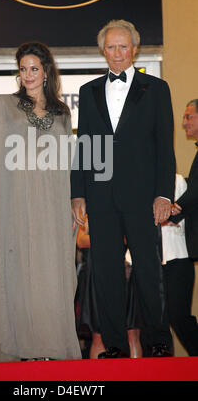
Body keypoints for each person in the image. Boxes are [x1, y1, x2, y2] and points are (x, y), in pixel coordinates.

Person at [0, 31, 81, 363]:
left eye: (34, 69)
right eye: (23, 69)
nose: (27, 75)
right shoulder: (6, 107)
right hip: (14, 207)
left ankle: (49, 348)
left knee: (50, 275)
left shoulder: (62, 114)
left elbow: (68, 163)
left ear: (46, 71)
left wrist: (72, 202)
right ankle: (18, 348)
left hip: (51, 208)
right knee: (15, 273)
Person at [71, 19, 176, 358]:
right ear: (103, 51)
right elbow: (83, 143)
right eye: (111, 47)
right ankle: (114, 345)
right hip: (100, 196)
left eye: (123, 46)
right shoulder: (88, 92)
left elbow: (165, 146)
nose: (117, 53)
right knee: (105, 272)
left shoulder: (157, 89)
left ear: (135, 49)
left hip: (144, 196)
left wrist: (164, 194)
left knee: (148, 269)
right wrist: (78, 192)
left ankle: (158, 342)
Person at [76, 215, 143, 358]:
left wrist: (100, 237)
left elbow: (133, 236)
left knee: (132, 332)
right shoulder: (88, 210)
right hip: (97, 273)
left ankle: (135, 377)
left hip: (126, 270)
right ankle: (100, 378)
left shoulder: (128, 204)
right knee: (98, 334)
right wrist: (110, 236)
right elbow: (81, 241)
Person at [167, 99, 198, 355]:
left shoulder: (177, 182)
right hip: (164, 261)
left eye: (189, 117)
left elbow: (196, 193)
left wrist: (170, 212)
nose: (184, 123)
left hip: (180, 259)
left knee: (177, 316)